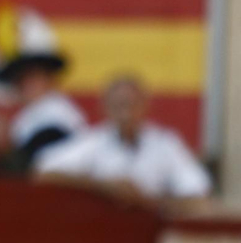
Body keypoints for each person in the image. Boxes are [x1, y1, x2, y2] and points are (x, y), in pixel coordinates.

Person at [35, 76, 211, 201]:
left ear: (144, 106)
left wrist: (145, 201)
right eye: (119, 106)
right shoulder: (95, 142)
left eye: (131, 105)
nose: (125, 114)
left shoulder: (165, 144)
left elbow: (197, 191)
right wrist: (104, 187)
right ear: (105, 108)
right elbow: (44, 172)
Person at [0, 22, 86, 159]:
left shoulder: (59, 114)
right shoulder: (24, 117)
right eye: (20, 80)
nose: (26, 85)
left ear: (50, 80)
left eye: (32, 77)